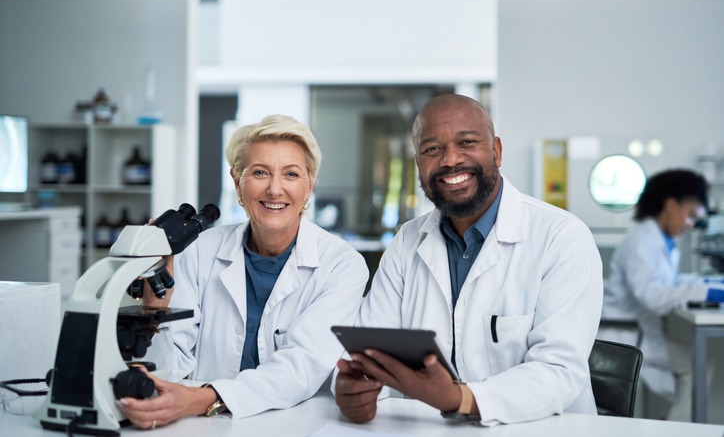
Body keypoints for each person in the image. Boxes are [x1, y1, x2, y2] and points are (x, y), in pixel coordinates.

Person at [334, 94, 603, 426]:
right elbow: (371, 345)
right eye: (432, 149)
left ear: (496, 151)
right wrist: (355, 388)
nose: (450, 160)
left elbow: (558, 372)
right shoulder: (407, 241)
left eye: (467, 142)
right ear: (418, 162)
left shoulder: (562, 237)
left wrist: (459, 398)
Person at [118, 115, 369, 429]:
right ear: (237, 181)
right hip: (202, 427)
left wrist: (203, 398)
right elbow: (167, 366)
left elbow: (302, 365)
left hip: (296, 425)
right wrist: (154, 309)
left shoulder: (342, 265)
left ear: (310, 185)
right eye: (260, 172)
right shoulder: (197, 251)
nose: (275, 189)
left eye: (291, 174)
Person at [601, 169, 724, 421]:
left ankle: (676, 427)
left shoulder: (659, 239)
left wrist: (708, 283)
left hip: (642, 329)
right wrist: (705, 290)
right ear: (670, 204)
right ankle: (680, 432)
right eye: (690, 215)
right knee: (697, 366)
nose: (691, 225)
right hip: (626, 334)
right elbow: (652, 295)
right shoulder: (641, 240)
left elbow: (669, 281)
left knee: (698, 365)